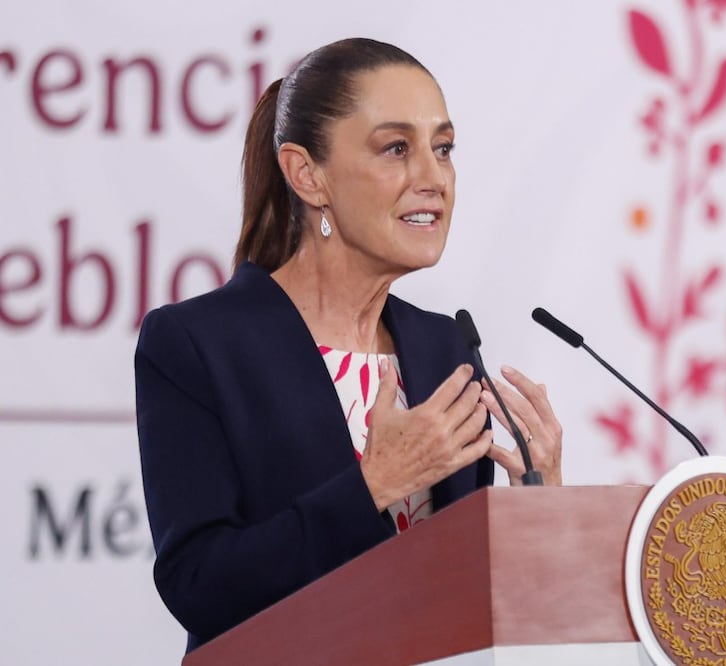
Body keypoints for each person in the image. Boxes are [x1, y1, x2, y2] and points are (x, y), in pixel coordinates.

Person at [134, 37, 563, 653]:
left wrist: (537, 506)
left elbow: (468, 595)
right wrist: (374, 485)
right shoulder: (199, 343)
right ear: (307, 175)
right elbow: (199, 585)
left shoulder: (445, 347)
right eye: (397, 148)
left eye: (443, 148)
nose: (433, 178)